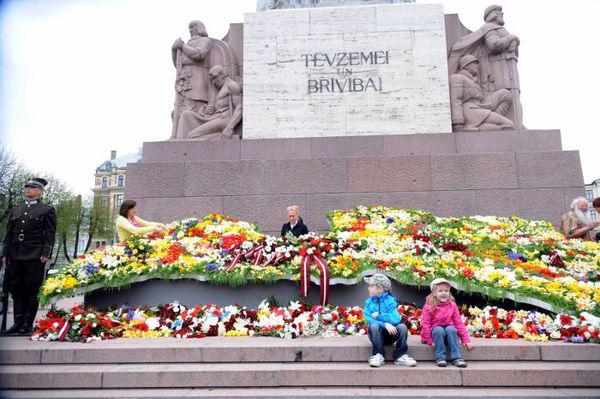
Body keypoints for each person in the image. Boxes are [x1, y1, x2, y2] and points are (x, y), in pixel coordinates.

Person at [1, 178, 56, 335]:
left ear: (40, 191)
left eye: (32, 187)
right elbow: (9, 233)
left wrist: (46, 252)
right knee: (16, 288)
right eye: (26, 187)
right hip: (15, 254)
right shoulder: (16, 209)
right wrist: (5, 253)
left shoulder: (46, 210)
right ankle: (17, 323)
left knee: (32, 289)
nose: (28, 189)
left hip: (34, 255)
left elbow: (50, 233)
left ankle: (27, 324)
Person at [363, 273, 417, 368]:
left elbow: (396, 319)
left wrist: (380, 316)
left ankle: (400, 356)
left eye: (371, 286)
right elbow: (369, 319)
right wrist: (385, 324)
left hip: (391, 335)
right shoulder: (369, 303)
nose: (368, 288)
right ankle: (378, 355)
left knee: (402, 327)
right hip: (376, 335)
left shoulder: (390, 301)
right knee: (374, 326)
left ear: (380, 289)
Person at [420, 278, 473, 368]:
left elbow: (458, 322)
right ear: (434, 293)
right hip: (435, 335)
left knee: (451, 328)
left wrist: (466, 340)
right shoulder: (429, 306)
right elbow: (425, 324)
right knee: (438, 329)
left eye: (446, 290)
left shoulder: (452, 305)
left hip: (448, 335)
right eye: (440, 291)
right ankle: (440, 357)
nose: (444, 293)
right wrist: (430, 340)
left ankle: (457, 358)